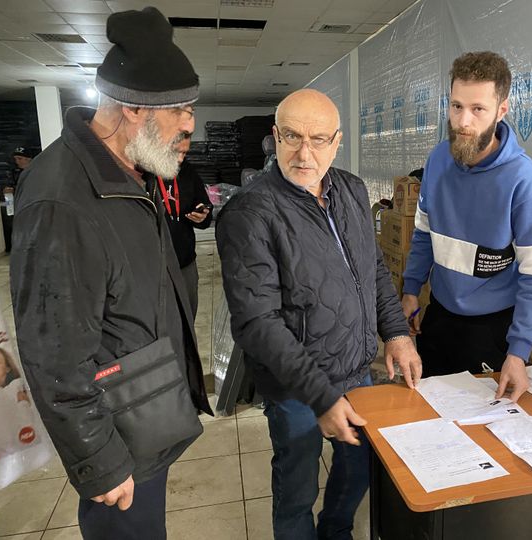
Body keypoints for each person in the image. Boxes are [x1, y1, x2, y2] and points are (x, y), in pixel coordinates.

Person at [8, 7, 212, 540]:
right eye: (181, 111)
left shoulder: (126, 174)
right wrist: (98, 460)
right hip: (117, 439)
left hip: (145, 418)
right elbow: (53, 354)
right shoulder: (63, 200)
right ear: (134, 111)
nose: (190, 124)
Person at [216, 88, 422, 540]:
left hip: (356, 370)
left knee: (359, 467)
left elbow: (371, 270)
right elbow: (257, 323)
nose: (304, 153)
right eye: (291, 137)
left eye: (318, 139)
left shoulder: (351, 189)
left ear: (337, 141)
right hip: (296, 388)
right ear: (274, 137)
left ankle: (336, 531)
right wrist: (321, 397)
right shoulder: (249, 214)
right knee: (296, 488)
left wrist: (396, 333)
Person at [402, 51, 532, 402]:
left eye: (477, 109)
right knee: (427, 416)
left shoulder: (523, 180)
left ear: (502, 110)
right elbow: (425, 233)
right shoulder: (437, 159)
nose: (463, 121)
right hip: (438, 317)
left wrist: (518, 352)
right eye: (456, 107)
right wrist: (411, 290)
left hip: (492, 329)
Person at [148, 135, 212, 316]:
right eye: (176, 152)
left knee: (187, 316)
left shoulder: (187, 172)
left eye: (184, 152)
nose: (180, 158)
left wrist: (203, 216)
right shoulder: (142, 174)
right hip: (152, 267)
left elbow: (204, 205)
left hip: (184, 262)